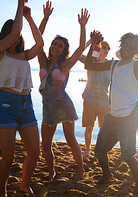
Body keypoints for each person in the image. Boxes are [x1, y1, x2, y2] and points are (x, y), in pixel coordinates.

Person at [85, 14, 138, 195]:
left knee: (127, 156)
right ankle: (107, 174)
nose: (127, 47)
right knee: (99, 152)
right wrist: (94, 46)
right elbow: (90, 65)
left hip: (128, 119)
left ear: (136, 51)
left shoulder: (137, 66)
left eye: (131, 46)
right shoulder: (113, 65)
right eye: (125, 44)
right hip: (111, 118)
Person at [0, 0, 44, 195]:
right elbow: (14, 32)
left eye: (18, 36)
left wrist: (29, 17)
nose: (16, 38)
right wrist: (20, 5)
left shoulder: (24, 55)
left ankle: (24, 184)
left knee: (34, 152)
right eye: (13, 34)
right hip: (5, 107)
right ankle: (1, 192)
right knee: (8, 157)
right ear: (6, 35)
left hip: (26, 106)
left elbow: (40, 43)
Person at [37, 1, 90, 181]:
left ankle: (81, 170)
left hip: (63, 105)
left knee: (70, 140)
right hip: (47, 107)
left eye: (60, 45)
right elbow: (39, 39)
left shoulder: (65, 65)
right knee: (45, 144)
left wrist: (82, 26)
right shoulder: (43, 61)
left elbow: (81, 48)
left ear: (63, 50)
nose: (56, 46)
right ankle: (51, 171)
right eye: (55, 44)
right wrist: (45, 18)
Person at [78, 41, 111, 158]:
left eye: (108, 48)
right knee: (89, 127)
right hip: (90, 100)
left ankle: (102, 150)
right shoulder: (91, 61)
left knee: (103, 129)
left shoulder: (110, 65)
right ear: (98, 49)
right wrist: (90, 43)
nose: (106, 49)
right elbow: (78, 54)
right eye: (104, 47)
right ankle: (87, 149)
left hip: (104, 102)